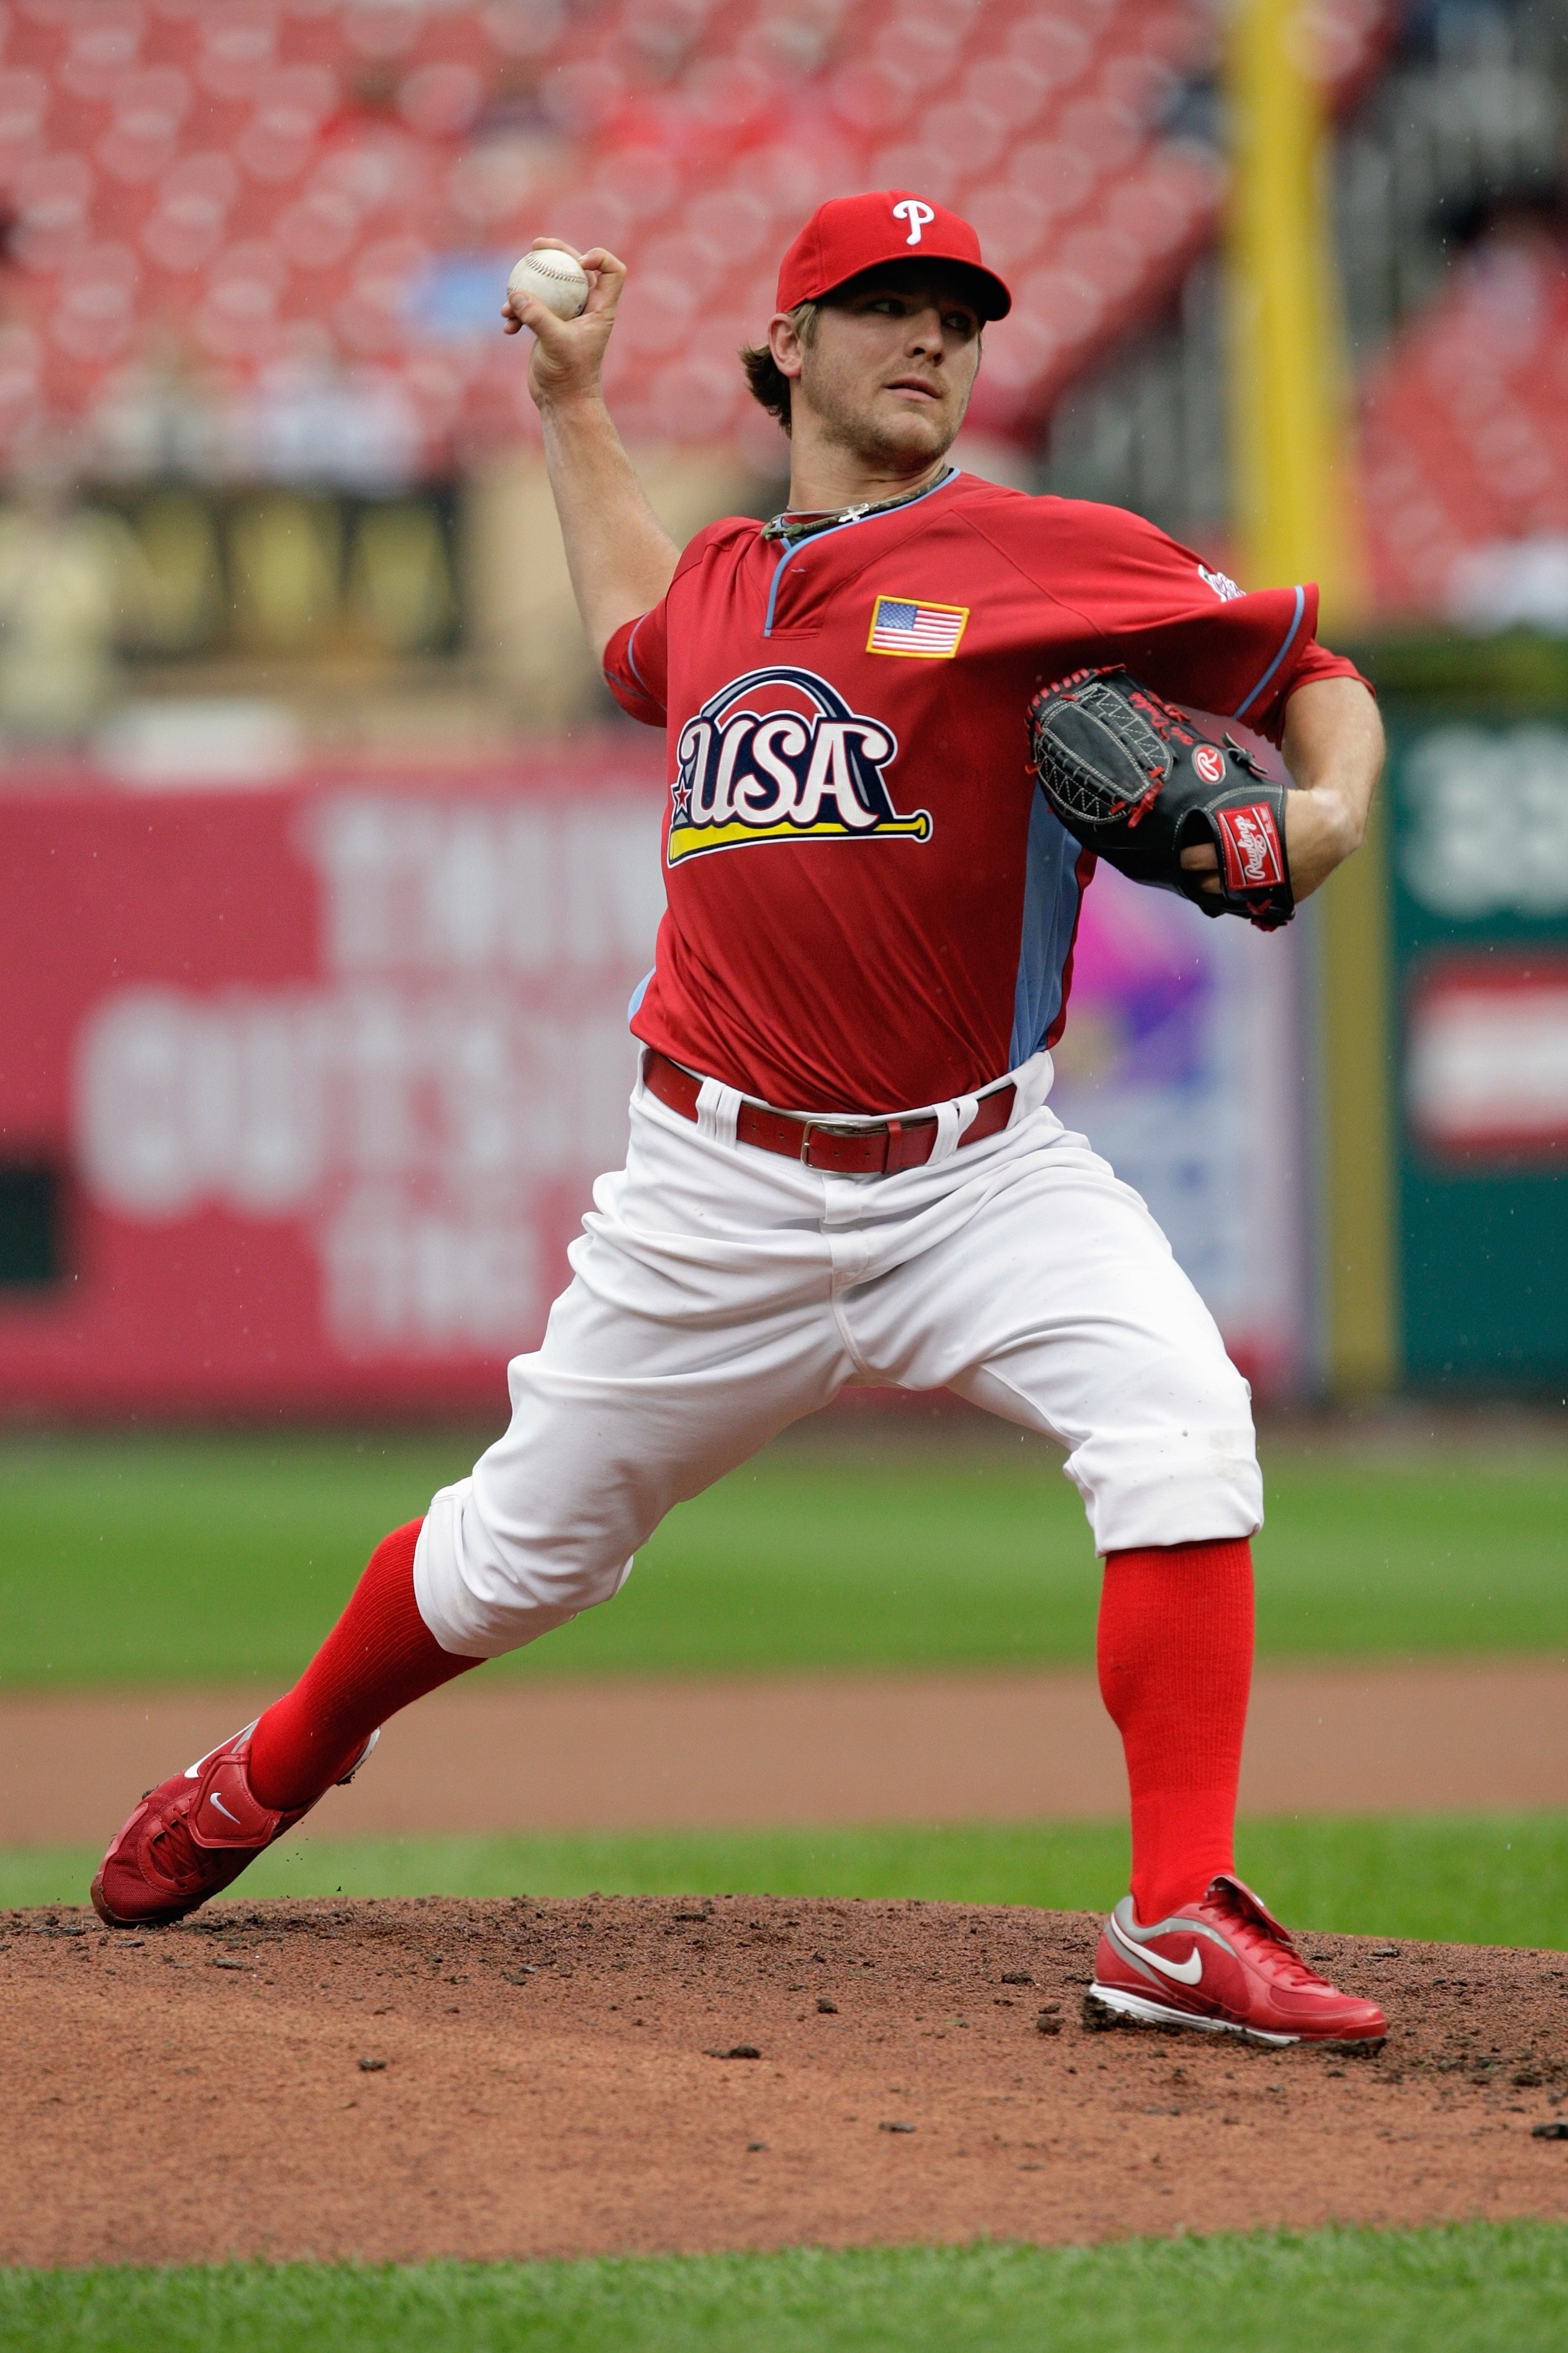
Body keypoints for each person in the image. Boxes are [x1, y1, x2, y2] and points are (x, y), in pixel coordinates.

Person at [92, 192, 1387, 2047]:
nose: (929, 337)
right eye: (882, 306)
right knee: (510, 1556)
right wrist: (571, 401)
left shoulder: (1038, 553)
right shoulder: (723, 585)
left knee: (1179, 1419)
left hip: (982, 1169)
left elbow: (1316, 674)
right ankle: (277, 1761)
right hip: (713, 1190)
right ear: (789, 345)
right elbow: (634, 617)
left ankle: (1175, 1915)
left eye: (955, 310)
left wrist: (1322, 818)